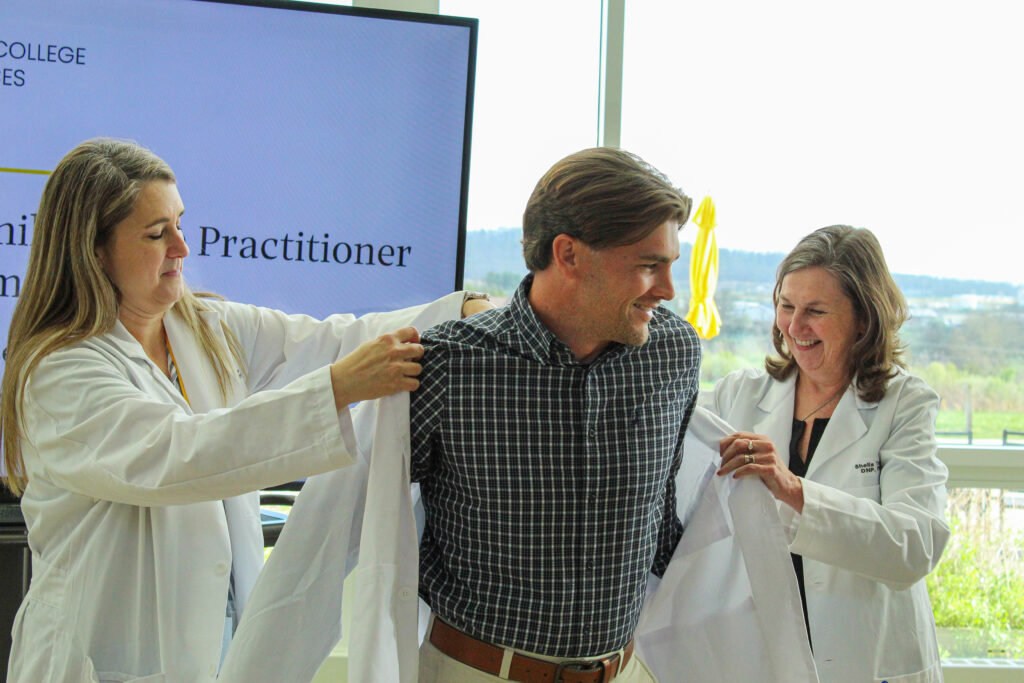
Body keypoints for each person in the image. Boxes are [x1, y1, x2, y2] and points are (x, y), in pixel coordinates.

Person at [0, 138, 489, 682]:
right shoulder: (59, 370)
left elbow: (330, 340)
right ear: (93, 251)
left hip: (221, 638)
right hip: (99, 659)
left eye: (180, 224)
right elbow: (179, 455)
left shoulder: (206, 329)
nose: (183, 248)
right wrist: (337, 390)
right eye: (157, 234)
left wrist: (454, 313)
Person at [409, 147, 701, 682]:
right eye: (647, 265)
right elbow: (375, 521)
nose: (667, 290)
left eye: (670, 265)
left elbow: (663, 509)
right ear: (568, 254)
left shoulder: (674, 352)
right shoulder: (448, 365)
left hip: (626, 670)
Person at [711, 225, 950, 683]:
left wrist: (795, 491)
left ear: (864, 317)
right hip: (761, 656)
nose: (795, 327)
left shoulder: (905, 404)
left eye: (815, 311)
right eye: (786, 306)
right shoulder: (736, 396)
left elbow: (915, 546)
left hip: (870, 660)